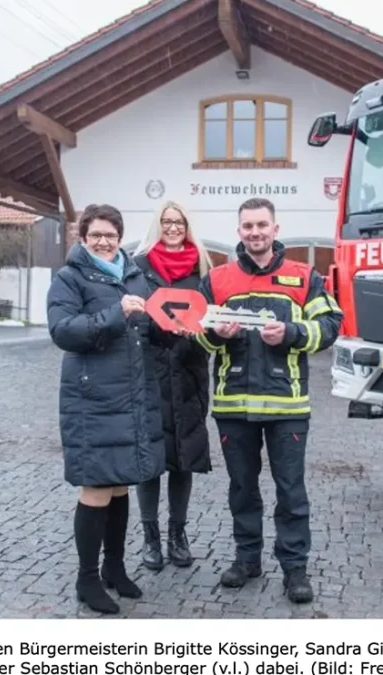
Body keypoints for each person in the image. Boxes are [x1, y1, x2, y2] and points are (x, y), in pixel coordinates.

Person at [194, 197, 343, 604]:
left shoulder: (303, 275)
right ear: (239, 231)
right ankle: (247, 560)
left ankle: (295, 569)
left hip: (287, 408)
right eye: (247, 226)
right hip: (233, 406)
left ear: (275, 230)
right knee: (242, 488)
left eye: (262, 225)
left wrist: (293, 334)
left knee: (290, 490)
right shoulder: (218, 279)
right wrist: (216, 334)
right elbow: (199, 333)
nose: (255, 233)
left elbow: (330, 325)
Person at [46, 203, 167, 615]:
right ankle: (87, 578)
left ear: (120, 238)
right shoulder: (69, 278)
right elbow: (63, 331)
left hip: (132, 395)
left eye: (110, 235)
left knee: (120, 484)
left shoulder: (135, 275)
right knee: (96, 487)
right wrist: (116, 313)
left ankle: (115, 569)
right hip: (93, 400)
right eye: (96, 234)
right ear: (84, 238)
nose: (103, 241)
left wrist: (174, 331)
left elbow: (152, 328)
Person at [131, 201, 213, 571]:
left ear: (187, 225)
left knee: (183, 458)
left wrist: (199, 334)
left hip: (190, 371)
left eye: (179, 222)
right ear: (157, 225)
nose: (173, 227)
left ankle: (177, 535)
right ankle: (150, 539)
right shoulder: (140, 267)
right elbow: (134, 317)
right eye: (166, 221)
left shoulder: (203, 269)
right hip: (150, 372)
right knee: (150, 460)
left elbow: (210, 319)